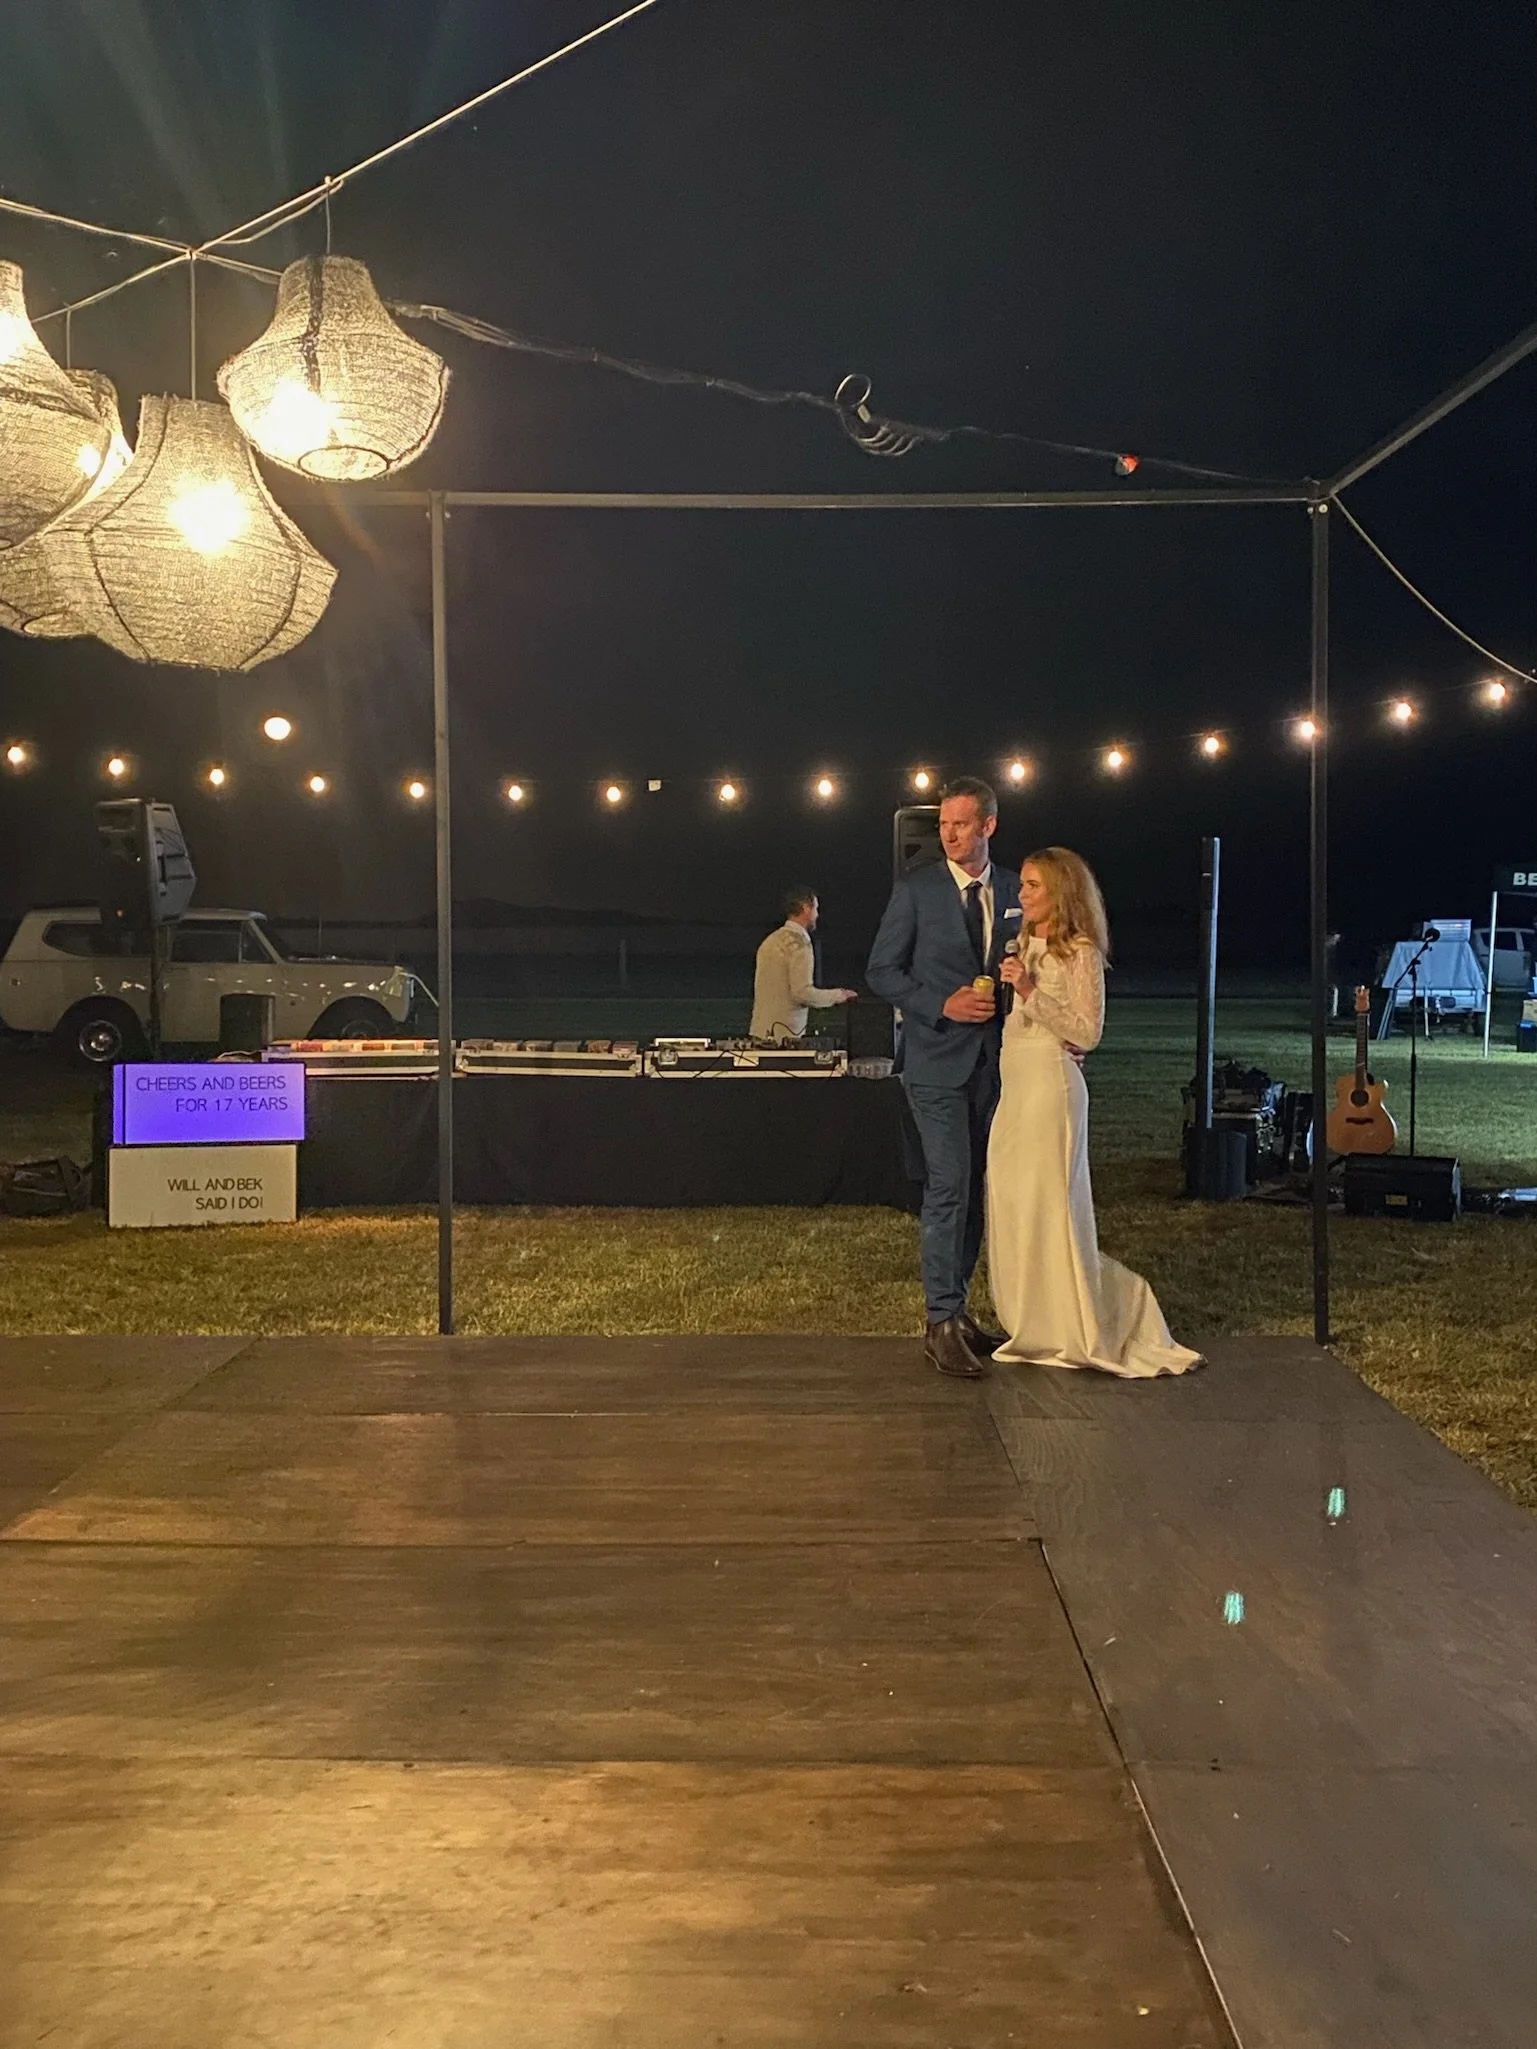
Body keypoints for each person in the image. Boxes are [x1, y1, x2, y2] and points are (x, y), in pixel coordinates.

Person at [991, 846, 1202, 1377]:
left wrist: (1031, 990)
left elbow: (1088, 1031)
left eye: (1033, 885)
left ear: (1060, 891)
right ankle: (1030, 1315)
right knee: (1013, 1197)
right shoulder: (1022, 943)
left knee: (1050, 1203)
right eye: (1023, 885)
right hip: (1015, 1084)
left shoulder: (1078, 951)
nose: (1022, 893)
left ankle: (1075, 1322)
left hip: (1051, 1089)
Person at [866, 778, 1021, 1379]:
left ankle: (958, 1312)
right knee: (949, 1183)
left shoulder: (1012, 890)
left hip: (999, 1066)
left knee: (979, 1191)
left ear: (988, 826)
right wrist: (940, 1004)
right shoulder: (917, 891)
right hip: (934, 1063)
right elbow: (882, 970)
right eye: (943, 826)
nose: (948, 835)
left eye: (960, 824)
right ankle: (939, 1322)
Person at [750, 888, 858, 1041]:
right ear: (806, 908)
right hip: (786, 1037)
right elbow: (802, 993)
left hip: (760, 1032)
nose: (817, 915)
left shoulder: (770, 941)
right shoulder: (800, 944)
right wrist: (839, 995)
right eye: (816, 908)